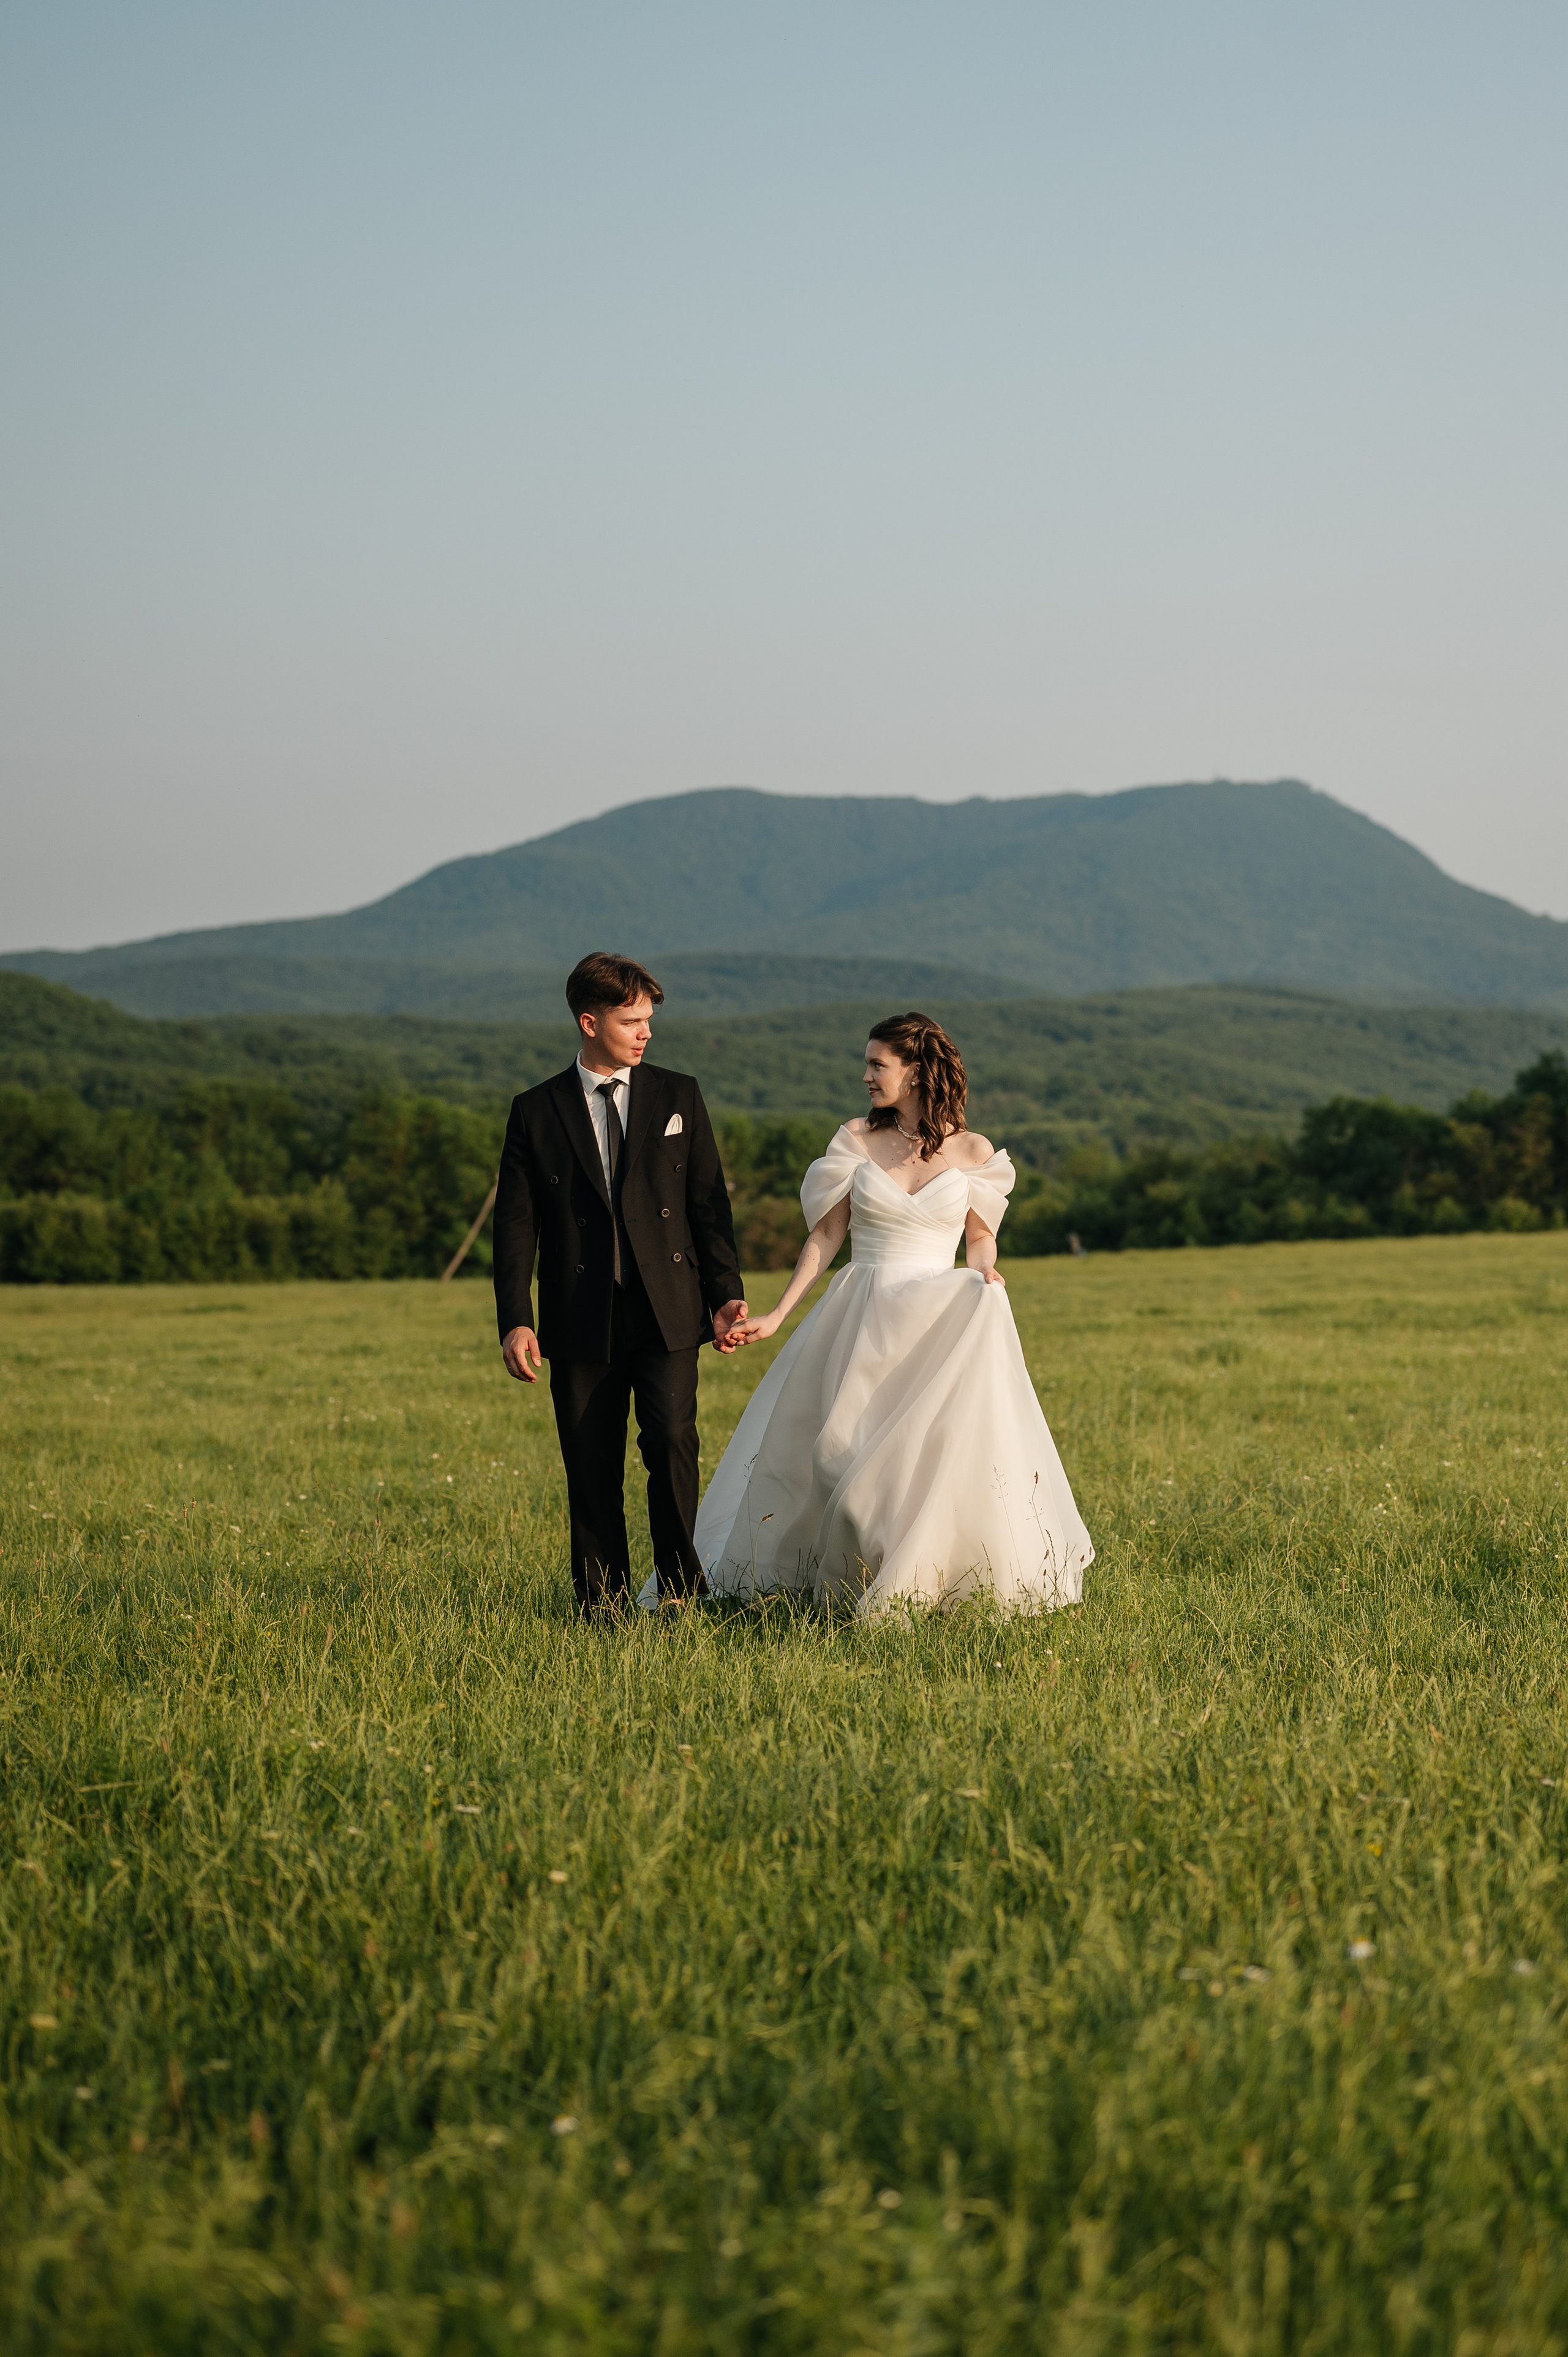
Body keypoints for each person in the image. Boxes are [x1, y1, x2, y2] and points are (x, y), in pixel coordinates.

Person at [638, 1012, 1092, 1616]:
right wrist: (777, 1314)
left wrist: (985, 1273)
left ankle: (913, 1583)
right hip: (862, 1314)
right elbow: (826, 1236)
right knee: (837, 1453)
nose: (866, 1076)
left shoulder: (973, 1151)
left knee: (920, 1461)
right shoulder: (854, 1139)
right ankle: (823, 1582)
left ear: (917, 1071)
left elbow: (980, 1238)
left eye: (878, 1064)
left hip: (936, 1321)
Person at [493, 952, 747, 1616]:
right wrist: (516, 1317)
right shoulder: (536, 1110)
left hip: (669, 1307)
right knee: (590, 1459)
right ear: (590, 1022)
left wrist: (725, 1294)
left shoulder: (678, 1093)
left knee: (672, 1442)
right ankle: (601, 1604)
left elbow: (708, 1205)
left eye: (649, 1019)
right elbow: (515, 1226)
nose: (646, 1032)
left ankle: (681, 1593)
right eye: (632, 1020)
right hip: (581, 1313)